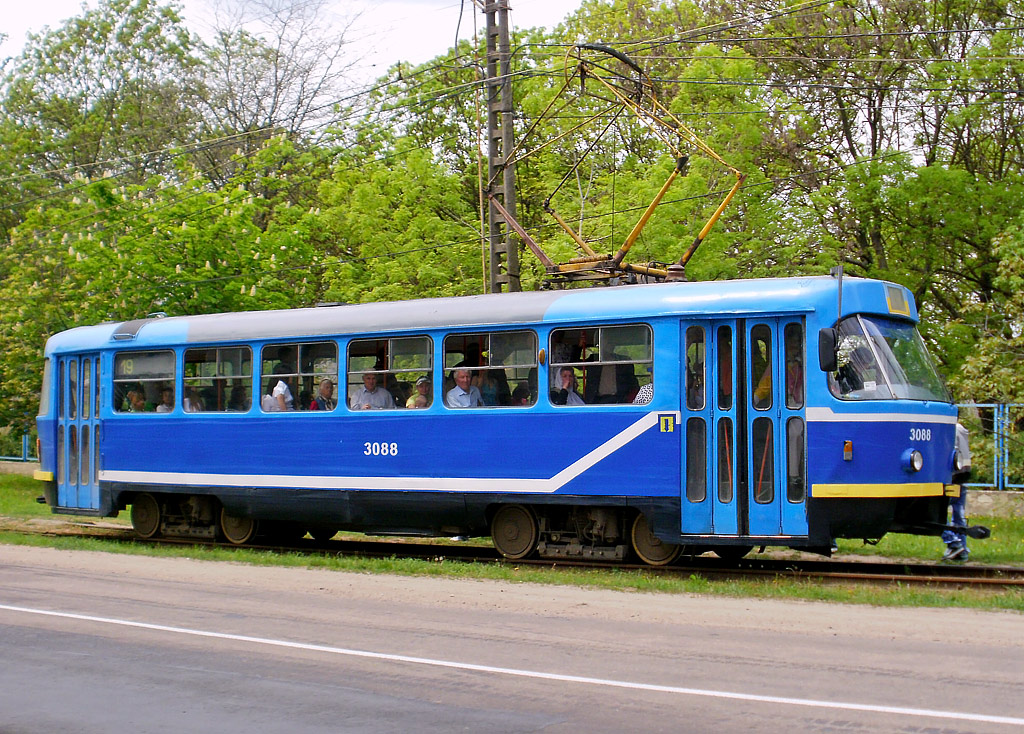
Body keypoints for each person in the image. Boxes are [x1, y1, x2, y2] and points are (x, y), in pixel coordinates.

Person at [942, 422, 973, 561]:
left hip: (952, 475)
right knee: (959, 514)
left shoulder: (948, 427)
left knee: (938, 513)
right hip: (964, 474)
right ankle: (963, 550)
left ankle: (954, 543)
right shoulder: (961, 428)